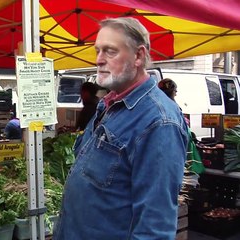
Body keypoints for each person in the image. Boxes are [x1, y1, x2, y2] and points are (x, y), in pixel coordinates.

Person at [53, 17, 188, 240]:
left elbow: (154, 227)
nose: (98, 60)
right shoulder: (109, 104)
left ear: (138, 56)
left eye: (110, 51)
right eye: (97, 51)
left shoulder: (159, 122)